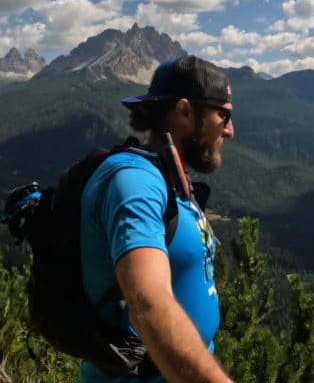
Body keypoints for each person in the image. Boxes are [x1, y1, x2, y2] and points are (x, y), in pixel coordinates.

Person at [78, 55, 236, 383]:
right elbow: (148, 302)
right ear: (184, 111)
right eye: (224, 114)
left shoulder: (170, 178)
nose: (230, 130)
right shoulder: (135, 182)